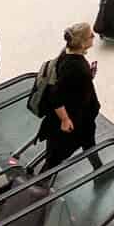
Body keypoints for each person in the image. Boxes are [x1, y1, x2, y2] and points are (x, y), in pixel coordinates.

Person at [38, 22, 103, 172]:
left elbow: (72, 85)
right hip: (73, 121)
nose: (93, 36)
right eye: (90, 36)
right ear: (82, 43)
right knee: (56, 157)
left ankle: (99, 169)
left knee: (88, 142)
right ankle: (38, 185)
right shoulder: (75, 66)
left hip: (84, 117)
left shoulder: (68, 54)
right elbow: (55, 95)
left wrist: (88, 77)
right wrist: (65, 120)